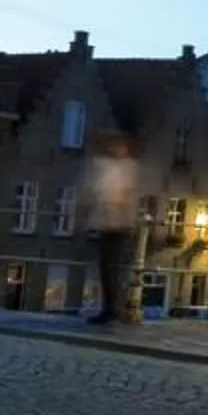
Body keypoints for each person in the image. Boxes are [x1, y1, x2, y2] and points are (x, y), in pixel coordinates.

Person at [82, 131, 142, 326]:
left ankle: (115, 310)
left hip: (119, 225)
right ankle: (111, 309)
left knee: (114, 269)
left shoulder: (127, 169)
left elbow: (124, 196)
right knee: (107, 269)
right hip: (108, 224)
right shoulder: (109, 167)